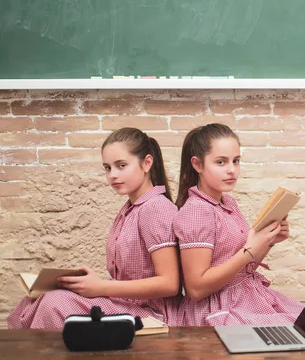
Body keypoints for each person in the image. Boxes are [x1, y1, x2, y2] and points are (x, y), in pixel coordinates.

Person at [7, 128, 181, 329]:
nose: (113, 175)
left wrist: (101, 287)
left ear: (147, 163)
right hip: (125, 303)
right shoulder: (129, 210)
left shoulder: (156, 208)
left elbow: (170, 283)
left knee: (53, 303)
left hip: (152, 312)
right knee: (33, 300)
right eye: (107, 168)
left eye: (121, 166)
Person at [173, 123, 305, 326]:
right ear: (197, 164)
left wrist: (269, 241)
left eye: (236, 161)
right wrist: (249, 250)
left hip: (246, 296)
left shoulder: (228, 202)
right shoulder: (196, 212)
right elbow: (196, 289)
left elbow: (244, 267)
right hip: (217, 309)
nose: (232, 170)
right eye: (221, 162)